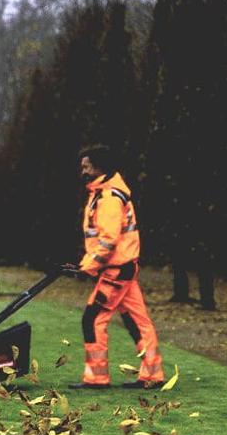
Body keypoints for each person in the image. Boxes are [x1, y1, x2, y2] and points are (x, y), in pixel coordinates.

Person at [67, 144, 165, 390]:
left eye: (86, 166)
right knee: (137, 321)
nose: (83, 171)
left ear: (99, 167)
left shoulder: (109, 197)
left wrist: (87, 267)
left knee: (93, 319)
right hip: (121, 268)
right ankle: (152, 375)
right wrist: (86, 263)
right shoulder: (101, 193)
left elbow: (108, 239)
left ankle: (97, 378)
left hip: (116, 269)